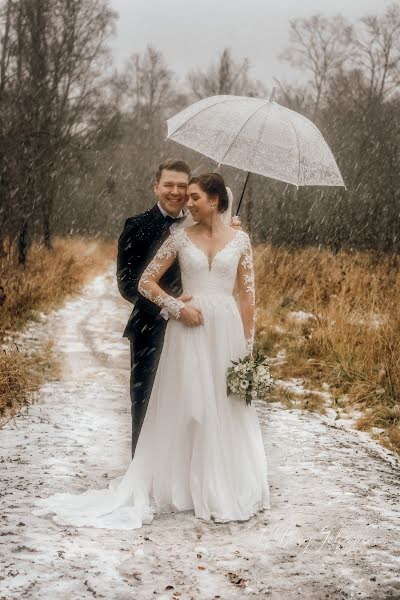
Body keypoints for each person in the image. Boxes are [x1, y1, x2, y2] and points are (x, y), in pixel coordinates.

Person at [32, 172, 270, 530]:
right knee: (190, 405)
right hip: (188, 327)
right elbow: (144, 282)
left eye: (195, 197)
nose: (187, 203)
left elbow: (248, 297)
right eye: (186, 196)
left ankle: (224, 481)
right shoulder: (179, 237)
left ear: (215, 201)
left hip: (227, 330)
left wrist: (248, 347)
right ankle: (183, 485)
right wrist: (175, 307)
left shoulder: (241, 240)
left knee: (225, 405)